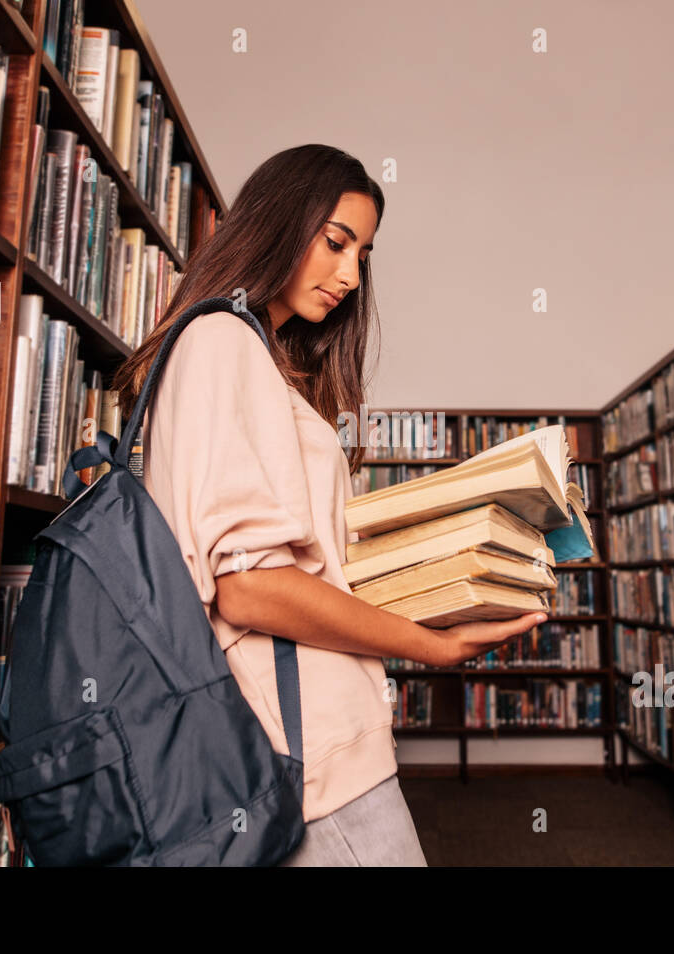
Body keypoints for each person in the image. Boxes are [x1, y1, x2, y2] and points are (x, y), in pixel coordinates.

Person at [110, 144, 545, 866]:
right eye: (335, 241)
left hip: (311, 743)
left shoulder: (263, 360)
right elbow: (248, 589)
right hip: (301, 750)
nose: (350, 275)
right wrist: (429, 646)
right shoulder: (222, 341)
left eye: (363, 255)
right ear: (279, 222)